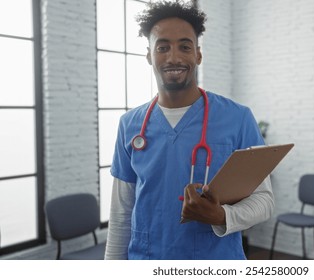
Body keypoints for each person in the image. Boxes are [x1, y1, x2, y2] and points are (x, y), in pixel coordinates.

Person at [104, 0, 274, 260]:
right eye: (162, 47)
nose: (174, 57)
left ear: (198, 54)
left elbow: (264, 201)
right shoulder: (130, 125)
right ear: (149, 55)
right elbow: (121, 214)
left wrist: (222, 216)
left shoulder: (238, 118)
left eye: (184, 46)